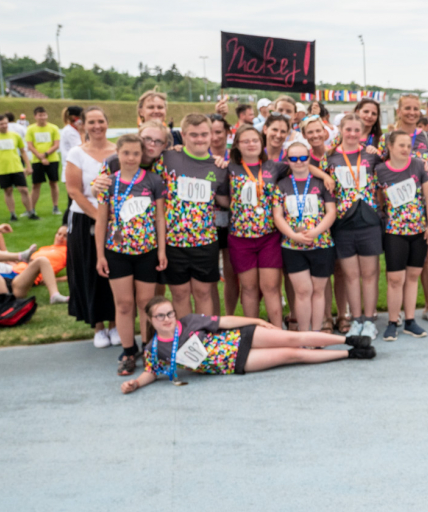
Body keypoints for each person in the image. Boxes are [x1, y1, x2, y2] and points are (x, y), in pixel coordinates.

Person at [119, 295, 374, 394]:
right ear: (150, 320)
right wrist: (135, 383)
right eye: (160, 316)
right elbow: (151, 371)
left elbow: (225, 321)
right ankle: (349, 354)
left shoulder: (189, 321)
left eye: (170, 313)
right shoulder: (154, 349)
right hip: (235, 362)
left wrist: (256, 321)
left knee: (293, 337)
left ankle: (348, 340)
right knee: (292, 354)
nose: (167, 319)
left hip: (242, 337)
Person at [94, 134, 168, 376]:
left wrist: (161, 250)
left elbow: (159, 218)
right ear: (117, 154)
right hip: (117, 253)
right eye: (126, 153)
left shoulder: (153, 180)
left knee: (146, 303)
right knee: (124, 304)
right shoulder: (108, 182)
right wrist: (100, 255)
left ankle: (148, 348)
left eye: (136, 153)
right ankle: (128, 351)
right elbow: (101, 220)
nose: (131, 158)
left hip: (147, 252)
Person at [156, 113, 230, 319]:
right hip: (173, 241)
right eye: (193, 135)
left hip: (205, 241)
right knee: (180, 294)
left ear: (211, 135)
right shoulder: (168, 158)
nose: (199, 139)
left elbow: (224, 200)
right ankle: (186, 335)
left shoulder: (218, 167)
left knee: (203, 292)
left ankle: (202, 334)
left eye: (204, 134)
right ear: (183, 135)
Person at [389, 94, 428, 325]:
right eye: (407, 108)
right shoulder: (388, 138)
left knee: (427, 257)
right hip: (398, 210)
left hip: (424, 207)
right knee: (399, 262)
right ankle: (402, 309)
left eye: (416, 108)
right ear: (399, 111)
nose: (412, 112)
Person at [65, 106, 119, 346]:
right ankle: (98, 326)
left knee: (116, 271)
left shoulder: (118, 151)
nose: (97, 126)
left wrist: (109, 219)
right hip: (86, 217)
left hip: (116, 220)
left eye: (101, 121)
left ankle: (116, 324)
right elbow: (74, 190)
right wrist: (99, 217)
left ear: (107, 123)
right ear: (83, 125)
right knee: (90, 270)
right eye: (92, 122)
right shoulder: (76, 153)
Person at [375, 129, 428, 341]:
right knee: (395, 279)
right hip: (394, 232)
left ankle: (410, 321)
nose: (406, 149)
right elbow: (378, 197)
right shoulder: (380, 170)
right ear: (390, 146)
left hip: (419, 231)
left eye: (409, 146)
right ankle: (392, 321)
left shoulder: (418, 165)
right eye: (401, 145)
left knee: (412, 276)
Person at [273, 140, 337, 333]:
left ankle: (315, 333)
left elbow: (331, 212)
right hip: (293, 246)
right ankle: (303, 334)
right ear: (287, 160)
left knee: (318, 291)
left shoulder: (322, 183)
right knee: (302, 291)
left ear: (309, 158)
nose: (299, 162)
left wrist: (316, 232)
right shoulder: (282, 185)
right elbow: (278, 215)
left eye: (303, 158)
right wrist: (293, 235)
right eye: (294, 159)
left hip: (321, 244)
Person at [327, 114, 381, 338]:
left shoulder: (371, 155)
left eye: (356, 130)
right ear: (340, 130)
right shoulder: (330, 157)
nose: (352, 134)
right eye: (348, 129)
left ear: (362, 132)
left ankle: (369, 320)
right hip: (343, 223)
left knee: (369, 274)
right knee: (350, 275)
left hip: (369, 221)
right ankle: (355, 319)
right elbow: (313, 170)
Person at [227, 124, 286, 330]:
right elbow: (223, 197)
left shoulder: (274, 167)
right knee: (249, 287)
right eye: (245, 141)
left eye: (255, 140)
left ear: (262, 143)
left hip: (268, 237)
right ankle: (252, 332)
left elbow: (303, 166)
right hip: (240, 238)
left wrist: (324, 176)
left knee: (270, 287)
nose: (251, 144)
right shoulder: (228, 168)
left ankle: (277, 331)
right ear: (237, 145)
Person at [0, 222, 68, 305]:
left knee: (42, 260)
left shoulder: (68, 252)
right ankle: (20, 256)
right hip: (3, 285)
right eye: (59, 234)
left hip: (16, 278)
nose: (61, 237)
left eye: (65, 236)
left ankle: (55, 295)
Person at [210, 114, 237, 315]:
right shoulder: (198, 157)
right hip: (206, 223)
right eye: (209, 132)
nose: (214, 136)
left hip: (232, 221)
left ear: (227, 133)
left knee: (231, 274)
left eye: (219, 132)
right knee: (209, 277)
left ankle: (229, 317)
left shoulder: (235, 158)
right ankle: (214, 319)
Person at [0, 114, 36, 221]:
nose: (4, 126)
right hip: (2, 168)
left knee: (24, 189)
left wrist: (28, 166)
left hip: (16, 167)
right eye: (1, 124)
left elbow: (23, 151)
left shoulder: (15, 135)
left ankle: (31, 212)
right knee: (8, 191)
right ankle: (12, 214)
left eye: (5, 123)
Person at [25, 105, 62, 216]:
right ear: (35, 116)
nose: (42, 117)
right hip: (37, 161)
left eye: (44, 115)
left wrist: (45, 155)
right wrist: (40, 157)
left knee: (53, 183)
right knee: (36, 185)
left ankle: (55, 207)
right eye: (40, 115)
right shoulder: (31, 129)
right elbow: (30, 145)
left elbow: (56, 144)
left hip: (52, 160)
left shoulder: (53, 128)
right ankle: (31, 209)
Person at [59, 105, 84, 182]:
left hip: (77, 166)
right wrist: (82, 132)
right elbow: (82, 148)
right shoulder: (69, 131)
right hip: (72, 168)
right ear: (75, 118)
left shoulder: (74, 130)